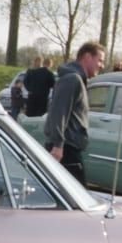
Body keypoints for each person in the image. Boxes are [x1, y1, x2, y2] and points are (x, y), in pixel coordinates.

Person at [43, 42, 105, 183]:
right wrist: (58, 145)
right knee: (78, 199)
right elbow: (58, 112)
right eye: (100, 60)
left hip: (69, 148)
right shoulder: (72, 79)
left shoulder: (77, 80)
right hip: (66, 150)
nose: (101, 66)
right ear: (88, 57)